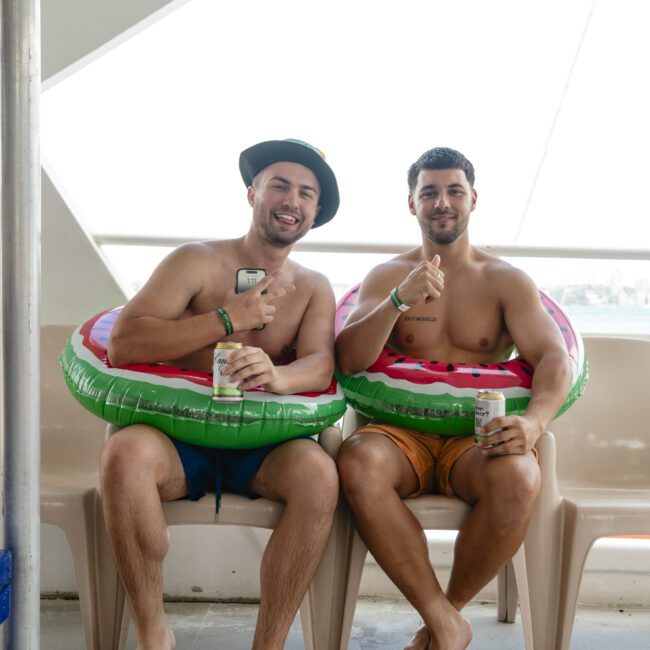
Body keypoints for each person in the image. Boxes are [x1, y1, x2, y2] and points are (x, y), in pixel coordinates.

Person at [101, 139, 341, 650]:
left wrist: (279, 377)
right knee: (123, 454)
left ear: (315, 212)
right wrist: (229, 318)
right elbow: (124, 344)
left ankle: (268, 644)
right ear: (251, 192)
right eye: (278, 184)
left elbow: (321, 364)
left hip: (262, 444)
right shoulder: (195, 261)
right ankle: (152, 632)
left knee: (320, 474)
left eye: (305, 193)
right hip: (176, 437)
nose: (290, 200)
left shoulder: (314, 287)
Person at [335, 147, 571, 650]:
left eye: (453, 191)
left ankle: (448, 614)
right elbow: (349, 359)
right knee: (357, 463)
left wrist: (533, 423)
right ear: (412, 203)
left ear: (473, 199)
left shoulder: (504, 281)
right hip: (399, 432)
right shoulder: (385, 277)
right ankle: (442, 620)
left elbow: (555, 357)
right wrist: (400, 299)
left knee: (521, 473)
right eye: (429, 193)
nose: (442, 202)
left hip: (477, 433)